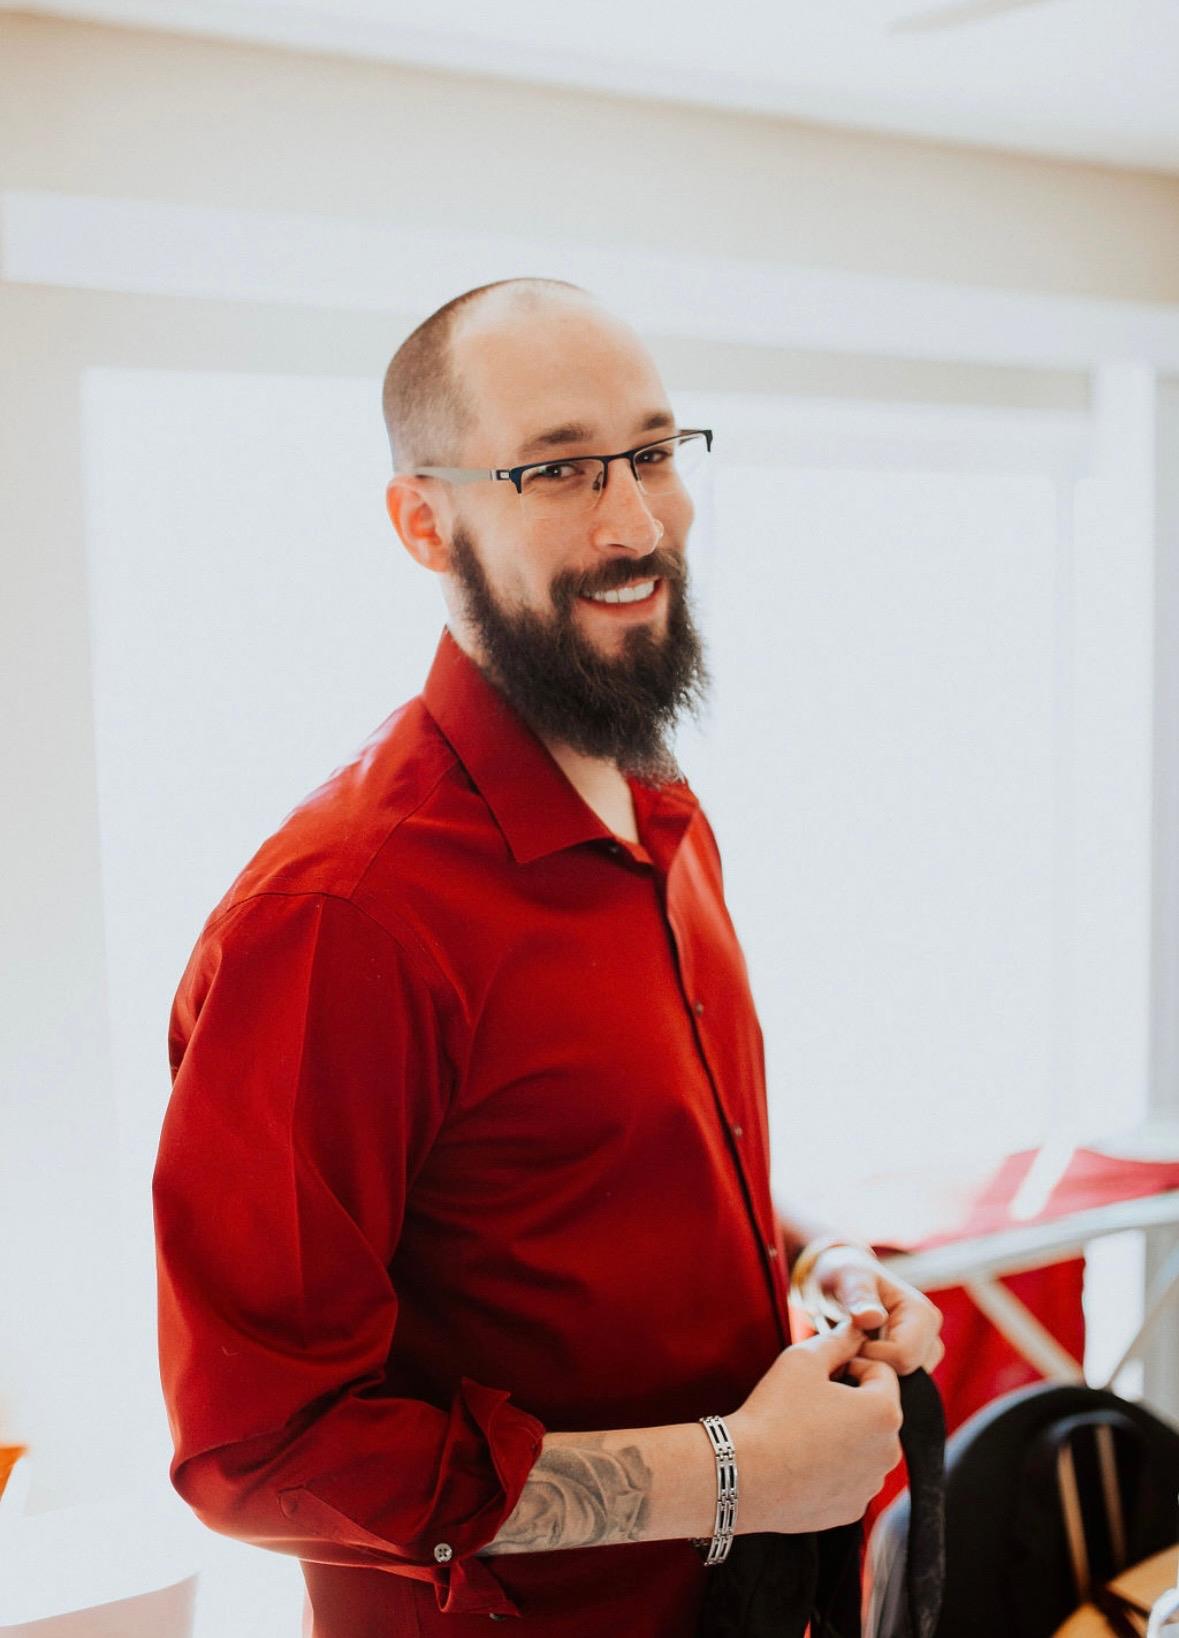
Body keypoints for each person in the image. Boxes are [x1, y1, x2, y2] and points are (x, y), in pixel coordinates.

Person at [153, 276, 944, 1638]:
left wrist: (818, 1276)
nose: (635, 520)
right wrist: (736, 1473)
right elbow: (258, 1450)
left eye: (649, 450)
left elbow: (595, 1186)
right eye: (559, 469)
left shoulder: (663, 813)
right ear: (424, 520)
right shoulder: (340, 911)